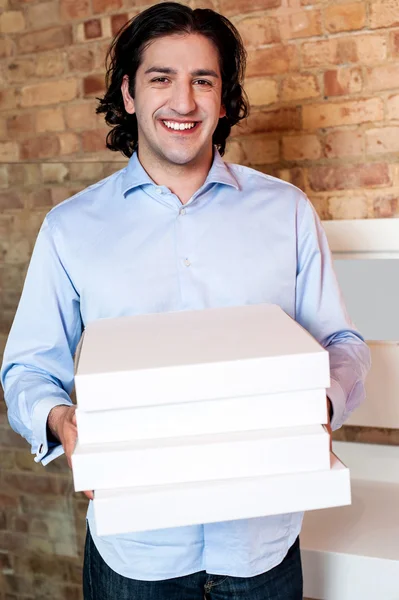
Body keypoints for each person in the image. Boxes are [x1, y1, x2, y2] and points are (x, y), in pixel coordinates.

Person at [1, 2, 370, 599]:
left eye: (203, 80)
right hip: (134, 555)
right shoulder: (71, 228)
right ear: (128, 94)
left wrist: (320, 406)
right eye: (161, 78)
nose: (183, 101)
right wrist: (58, 419)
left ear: (224, 100)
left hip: (262, 545)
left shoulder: (288, 213)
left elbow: (342, 344)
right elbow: (27, 367)